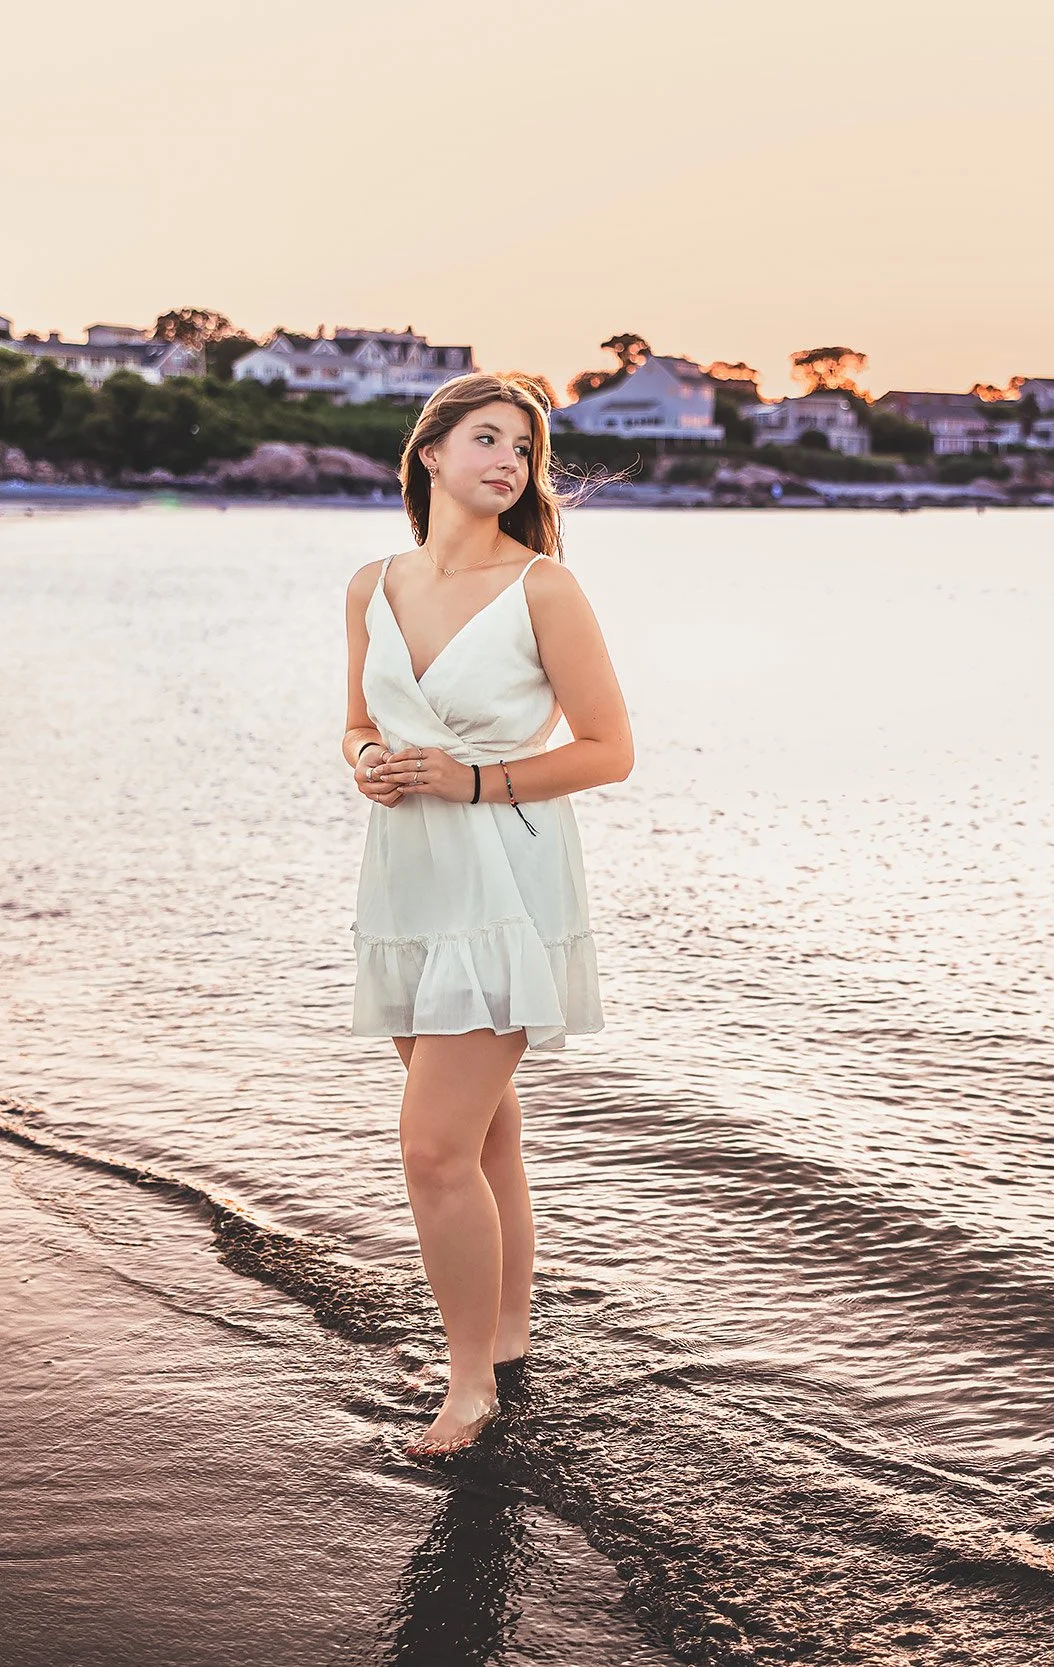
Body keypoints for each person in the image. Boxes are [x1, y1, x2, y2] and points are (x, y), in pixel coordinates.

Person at [340, 372, 632, 1456]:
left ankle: (469, 1387)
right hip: (408, 875)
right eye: (486, 439)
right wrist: (368, 758)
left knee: (431, 1148)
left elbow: (609, 749)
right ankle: (502, 1333)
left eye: (524, 448)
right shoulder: (372, 583)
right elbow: (356, 722)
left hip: (504, 879)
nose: (509, 462)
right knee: (483, 1129)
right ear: (429, 453)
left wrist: (470, 781)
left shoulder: (544, 587)